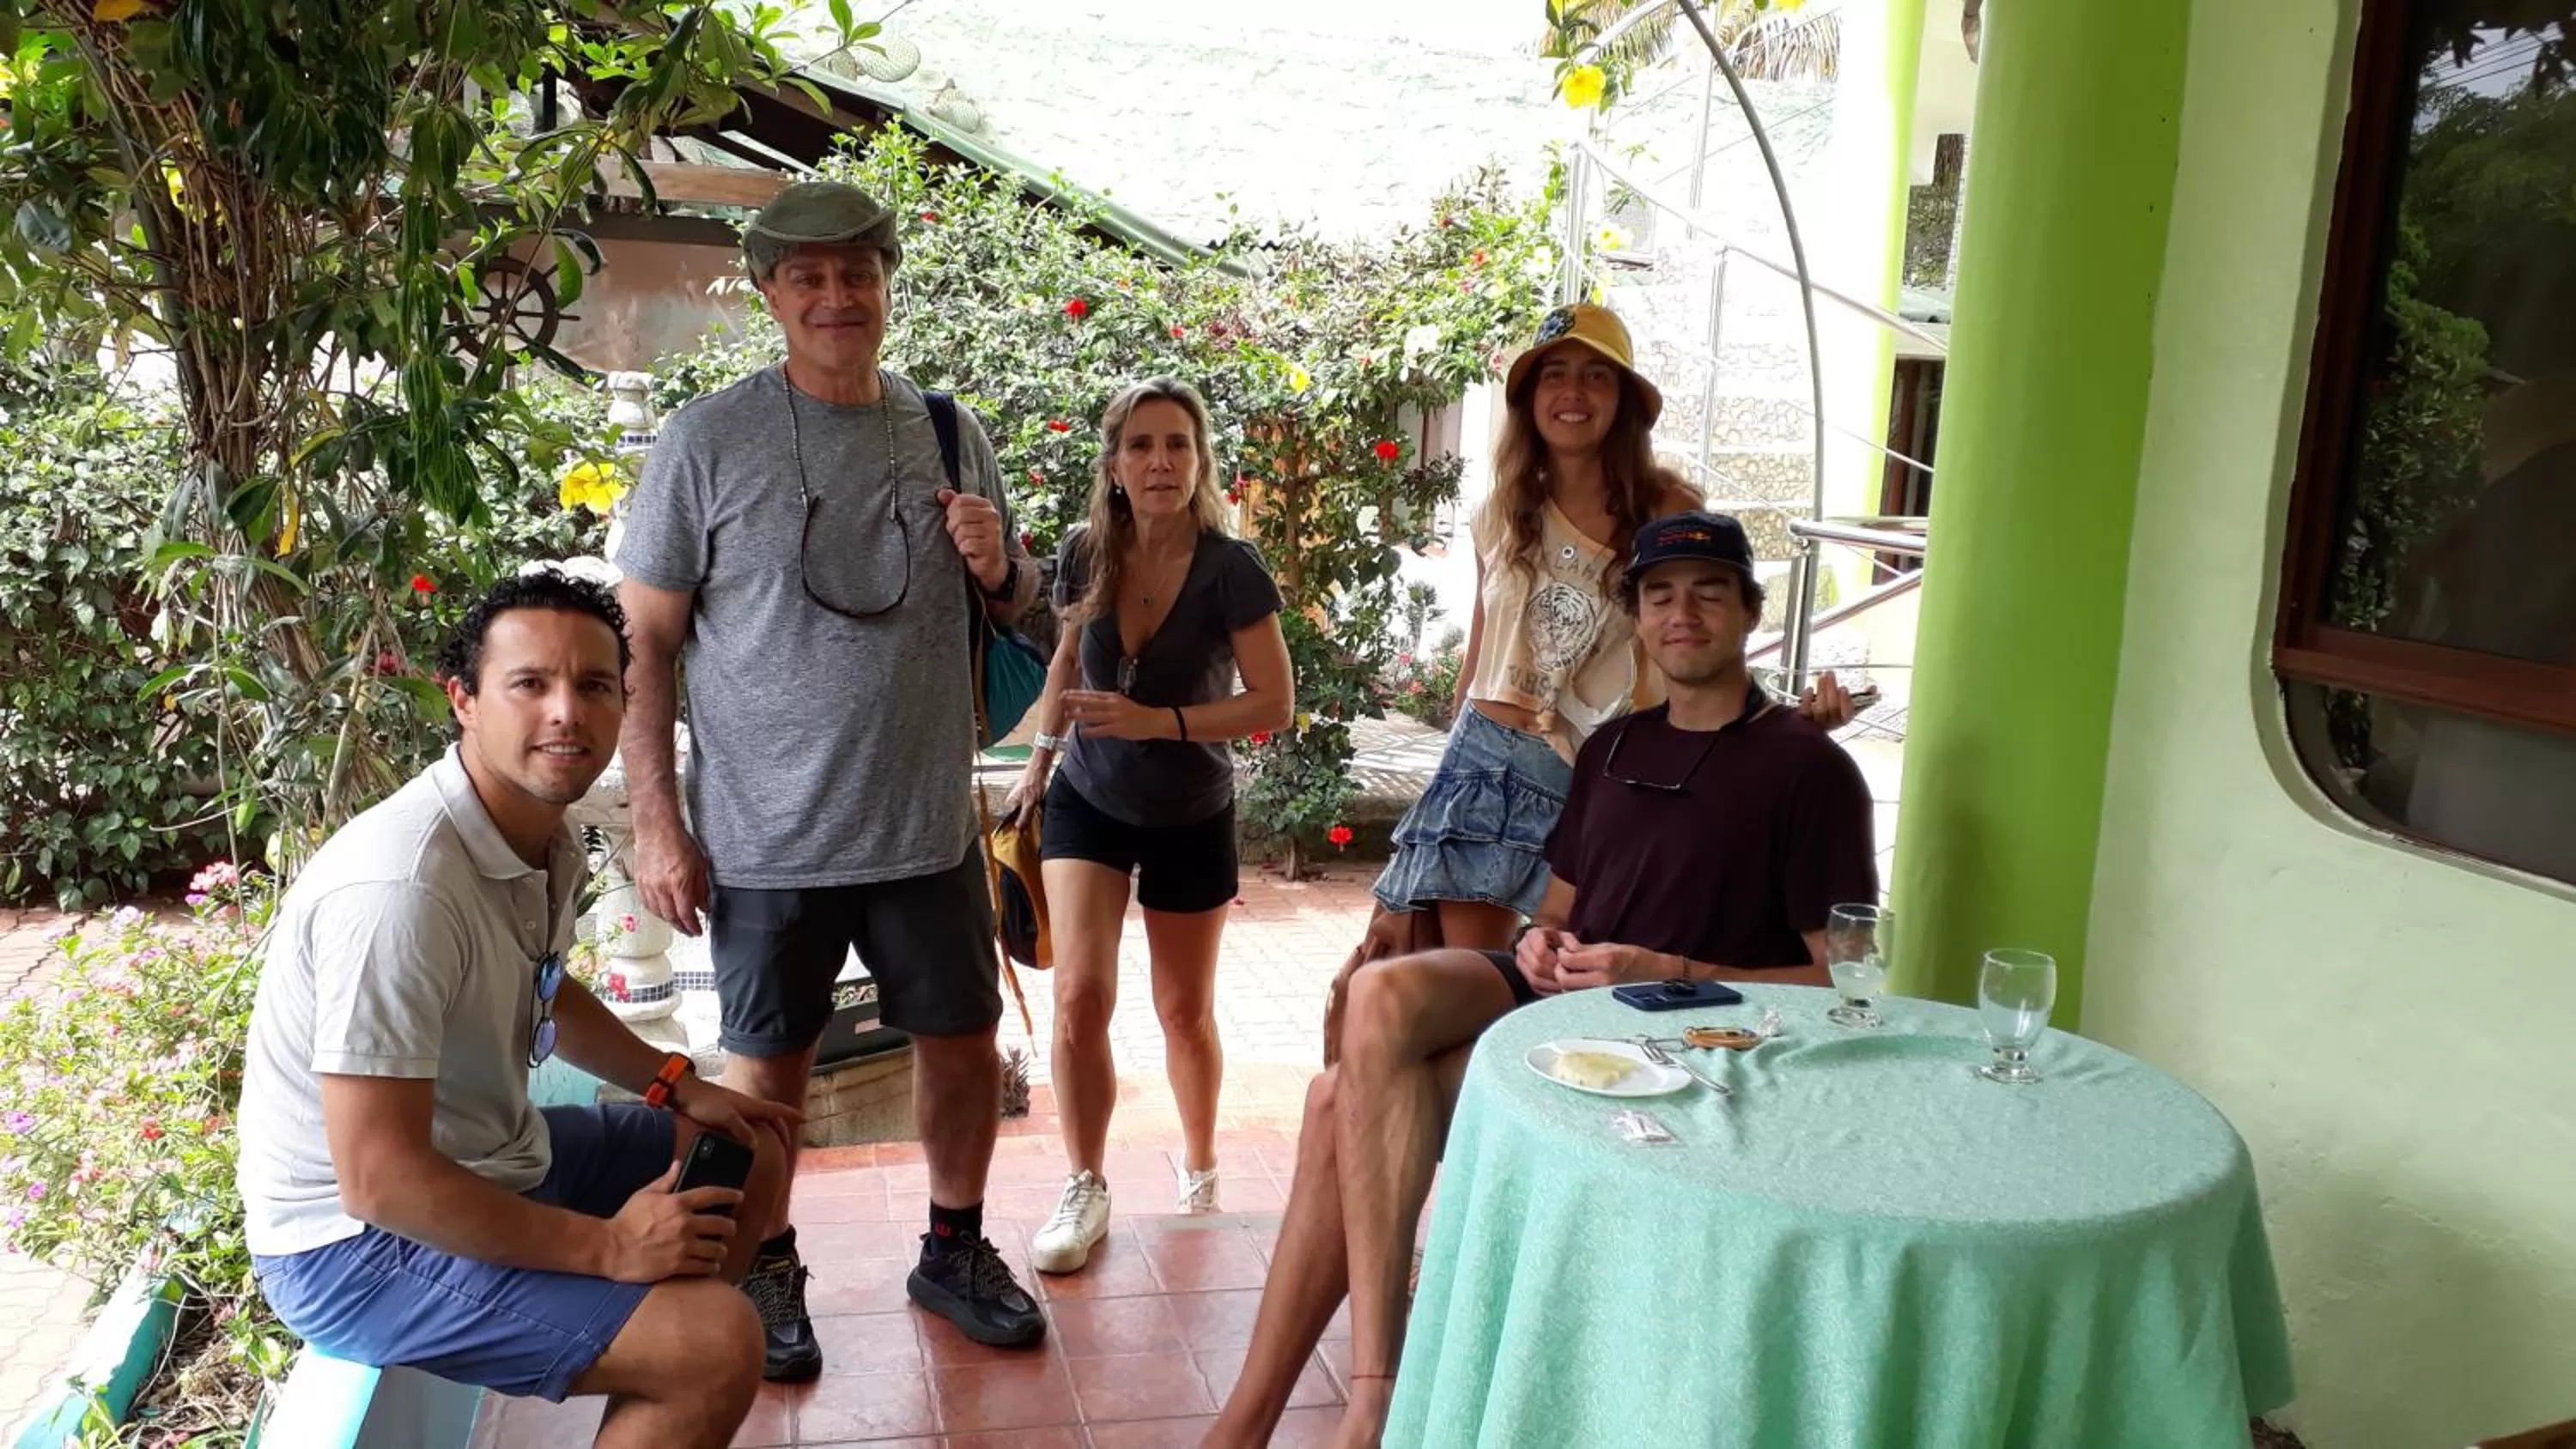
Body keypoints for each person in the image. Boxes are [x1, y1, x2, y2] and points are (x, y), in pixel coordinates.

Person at [1207, 512, 1880, 1449]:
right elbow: (1556, 911)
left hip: (1678, 1038)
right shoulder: (1611, 748)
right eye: (1659, 595)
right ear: (1638, 618)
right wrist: (1535, 942)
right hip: (1566, 1001)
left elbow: (1839, 985)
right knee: (1378, 994)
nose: (1681, 613)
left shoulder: (1810, 769)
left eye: (1708, 591)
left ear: (1749, 612)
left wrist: (1673, 968)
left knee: (1333, 1104)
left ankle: (1308, 1409)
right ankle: (1371, 1388)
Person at [615, 179, 1048, 1373]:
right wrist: (658, 821)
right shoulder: (707, 439)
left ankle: (952, 1246)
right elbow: (645, 639)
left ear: (885, 286)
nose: (835, 295)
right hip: (764, 837)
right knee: (767, 1073)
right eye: (807, 277)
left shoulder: (951, 431)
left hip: (925, 825)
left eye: (857, 272)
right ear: (769, 295)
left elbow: (1018, 614)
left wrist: (1002, 566)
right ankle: (768, 1266)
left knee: (961, 1048)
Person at [238, 573, 802, 1449]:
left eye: (594, 684)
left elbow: (543, 983)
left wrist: (677, 1080)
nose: (566, 712)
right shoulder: (402, 889)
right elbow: (379, 1178)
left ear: (626, 700)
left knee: (745, 1148)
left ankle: (656, 1363)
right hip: (352, 1246)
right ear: (464, 700)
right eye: (530, 683)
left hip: (493, 1156)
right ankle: (676, 1351)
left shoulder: (535, 831)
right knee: (718, 1346)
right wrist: (611, 1248)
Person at [1366, 301, 1850, 956]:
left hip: (1586, 765)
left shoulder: (1664, 508)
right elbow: (1483, 647)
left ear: (1623, 399)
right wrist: (1448, 753)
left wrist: (1777, 725)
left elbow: (1693, 633)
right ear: (1529, 398)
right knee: (1421, 963)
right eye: (1553, 375)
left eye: (1596, 376)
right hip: (1479, 760)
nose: (1572, 393)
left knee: (1546, 969)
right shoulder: (1502, 508)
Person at [999, 378, 1295, 1273]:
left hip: (1190, 808)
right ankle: (1085, 1180)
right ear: (1116, 464)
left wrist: (1156, 720)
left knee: (1182, 1010)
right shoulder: (1088, 550)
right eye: (1141, 445)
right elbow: (1063, 658)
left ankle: (1200, 1169)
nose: (1160, 461)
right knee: (1081, 994)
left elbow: (1274, 703)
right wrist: (1038, 766)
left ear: (1199, 460)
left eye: (1177, 443)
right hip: (1090, 794)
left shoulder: (1230, 567)